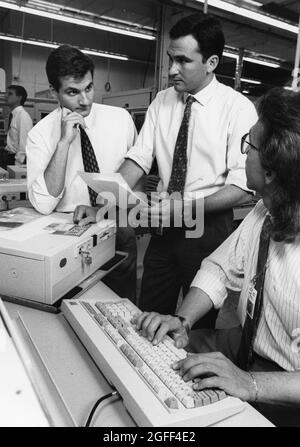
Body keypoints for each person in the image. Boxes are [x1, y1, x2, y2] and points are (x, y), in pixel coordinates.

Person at [75, 14, 257, 324]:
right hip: (164, 231)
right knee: (148, 317)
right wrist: (103, 206)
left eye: (183, 61)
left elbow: (241, 188)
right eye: (171, 59)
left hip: (209, 231)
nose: (172, 69)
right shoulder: (162, 101)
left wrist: (184, 209)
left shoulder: (237, 109)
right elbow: (139, 159)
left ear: (211, 62)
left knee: (198, 326)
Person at [134, 87, 300, 426]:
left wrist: (249, 383)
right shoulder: (262, 212)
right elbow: (219, 269)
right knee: (160, 352)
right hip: (247, 344)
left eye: (249, 146)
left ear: (270, 171)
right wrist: (182, 321)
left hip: (285, 383)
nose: (243, 156)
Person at [26, 45, 138, 301]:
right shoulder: (41, 135)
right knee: (74, 308)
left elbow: (136, 179)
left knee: (123, 305)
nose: (85, 100)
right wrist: (63, 143)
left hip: (117, 227)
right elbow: (43, 204)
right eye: (73, 92)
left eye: (88, 88)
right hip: (69, 236)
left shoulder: (120, 119)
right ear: (54, 91)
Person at [0, 85, 33, 168]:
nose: (5, 96)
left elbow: (24, 144)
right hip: (7, 156)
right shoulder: (13, 115)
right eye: (6, 93)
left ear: (19, 98)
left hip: (14, 160)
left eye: (10, 94)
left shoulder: (23, 116)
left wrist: (17, 166)